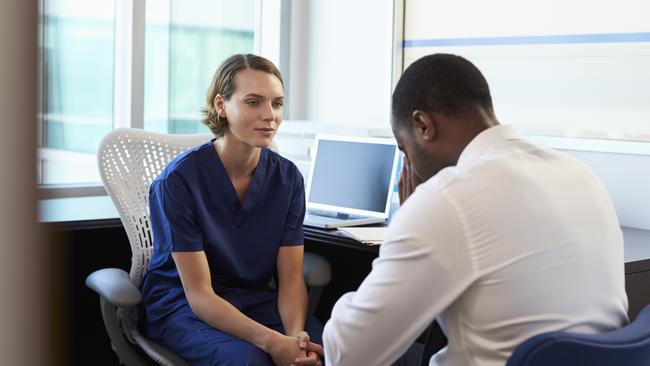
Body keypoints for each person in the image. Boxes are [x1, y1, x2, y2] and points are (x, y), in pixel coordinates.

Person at [299, 53, 629, 365]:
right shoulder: (580, 174)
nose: (409, 165)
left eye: (405, 148)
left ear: (423, 126)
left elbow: (351, 354)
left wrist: (407, 224)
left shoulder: (447, 198)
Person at [139, 54, 323, 366]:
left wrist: (295, 338)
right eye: (254, 102)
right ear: (222, 106)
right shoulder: (178, 182)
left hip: (252, 300)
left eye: (277, 103)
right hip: (184, 307)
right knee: (252, 361)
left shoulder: (288, 178)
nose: (270, 115)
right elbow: (199, 295)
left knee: (329, 349)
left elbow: (291, 280)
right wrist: (272, 341)